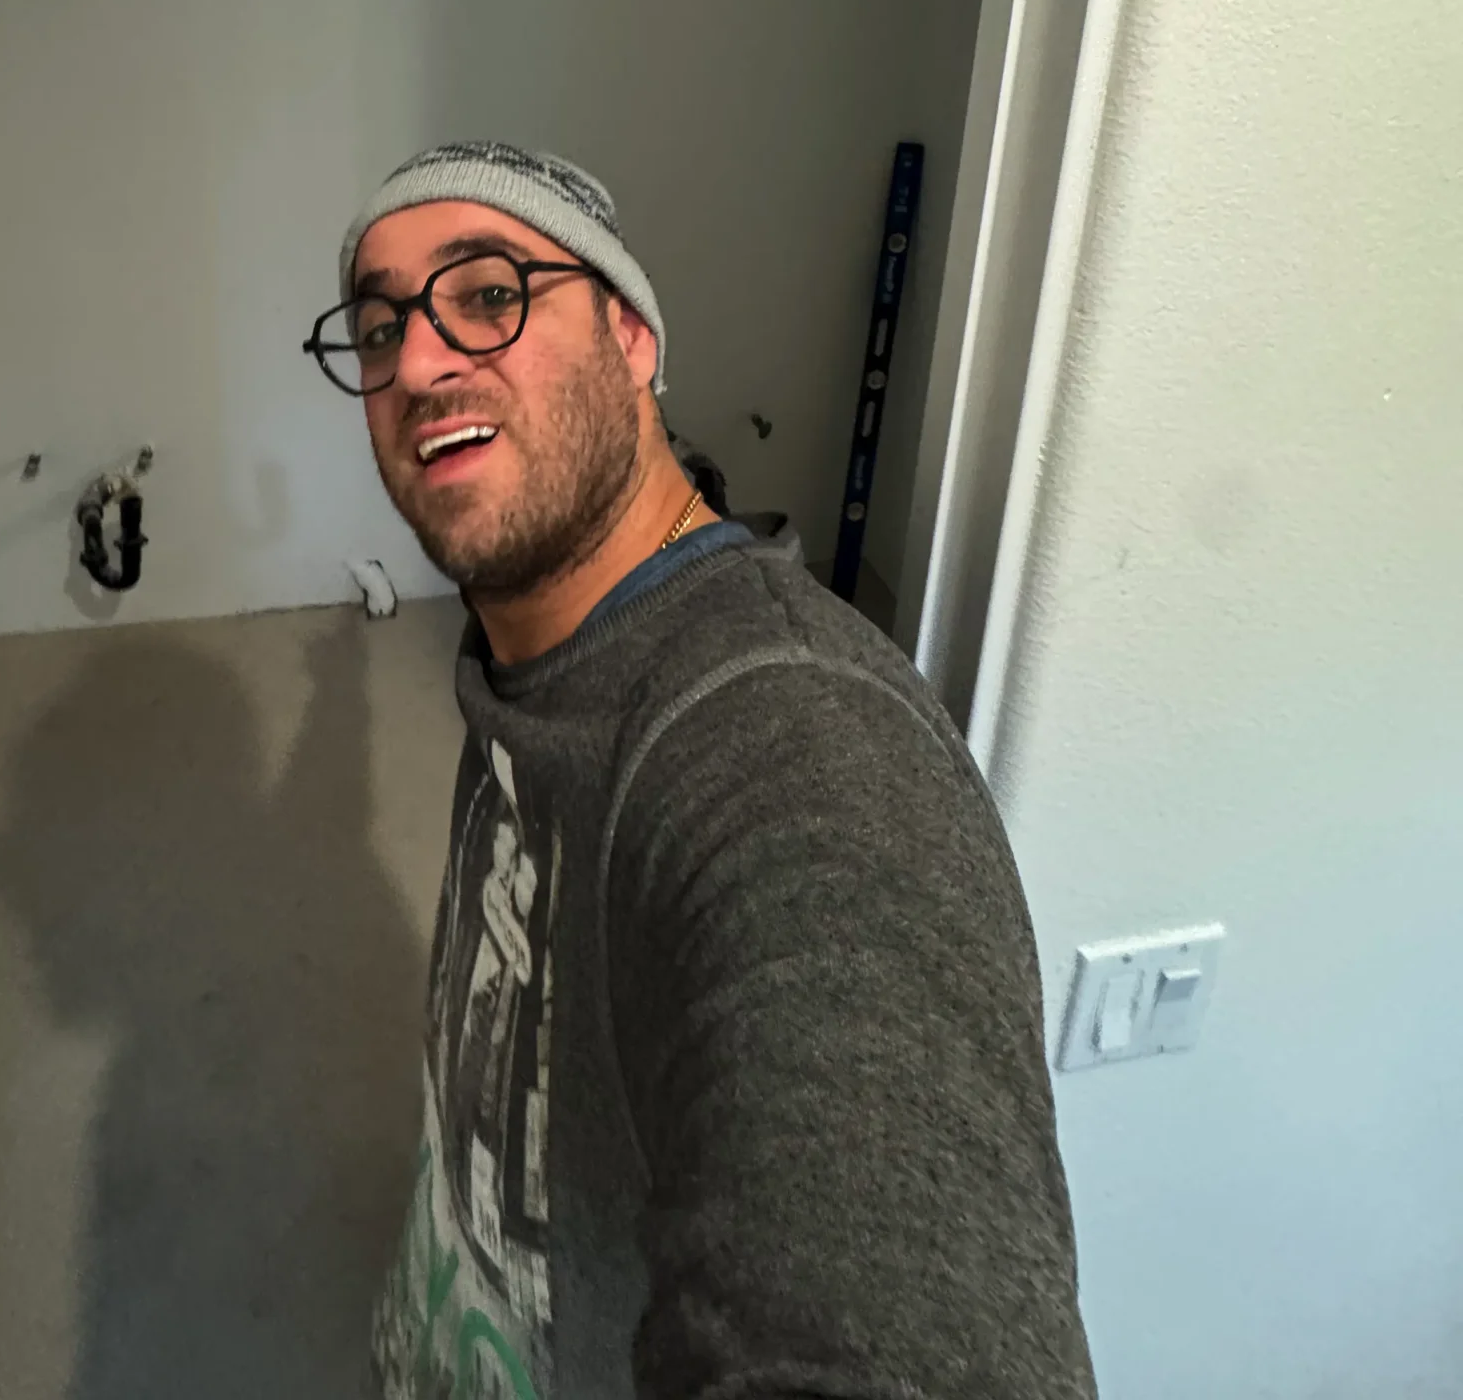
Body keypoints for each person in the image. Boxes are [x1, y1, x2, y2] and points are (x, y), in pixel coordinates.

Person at [305, 140, 1097, 1400]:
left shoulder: (790, 746)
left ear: (633, 339)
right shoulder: (532, 648)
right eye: (380, 319)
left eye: (490, 294)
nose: (415, 362)